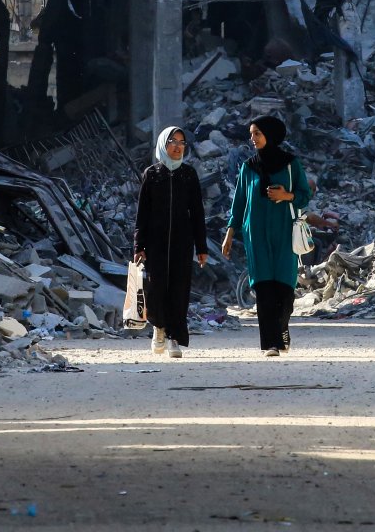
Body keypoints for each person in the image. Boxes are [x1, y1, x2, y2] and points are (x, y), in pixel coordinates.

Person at [221, 115, 311, 357]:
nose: (252, 138)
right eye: (251, 134)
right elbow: (239, 203)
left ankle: (282, 328)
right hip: (256, 234)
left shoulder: (291, 164)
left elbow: (305, 195)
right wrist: (230, 233)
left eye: (257, 133)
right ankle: (271, 343)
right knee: (263, 287)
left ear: (270, 135)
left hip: (284, 231)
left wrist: (286, 196)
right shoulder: (248, 167)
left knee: (284, 287)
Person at [133, 126, 208, 359]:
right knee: (156, 288)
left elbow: (197, 212)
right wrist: (139, 245)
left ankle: (175, 338)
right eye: (172, 142)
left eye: (181, 142)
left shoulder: (189, 174)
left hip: (182, 242)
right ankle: (159, 328)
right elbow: (142, 213)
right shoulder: (152, 174)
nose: (177, 147)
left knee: (179, 289)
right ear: (163, 145)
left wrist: (201, 247)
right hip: (156, 242)